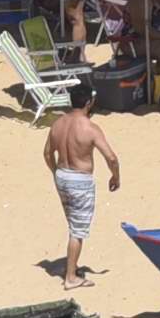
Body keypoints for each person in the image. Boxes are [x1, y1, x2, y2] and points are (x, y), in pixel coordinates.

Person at [43, 88, 120, 281]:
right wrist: (115, 177)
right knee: (77, 231)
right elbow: (111, 157)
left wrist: (55, 172)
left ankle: (72, 266)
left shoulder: (58, 124)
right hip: (80, 180)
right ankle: (71, 277)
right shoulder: (90, 128)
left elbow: (47, 153)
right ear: (88, 103)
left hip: (62, 176)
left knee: (73, 223)